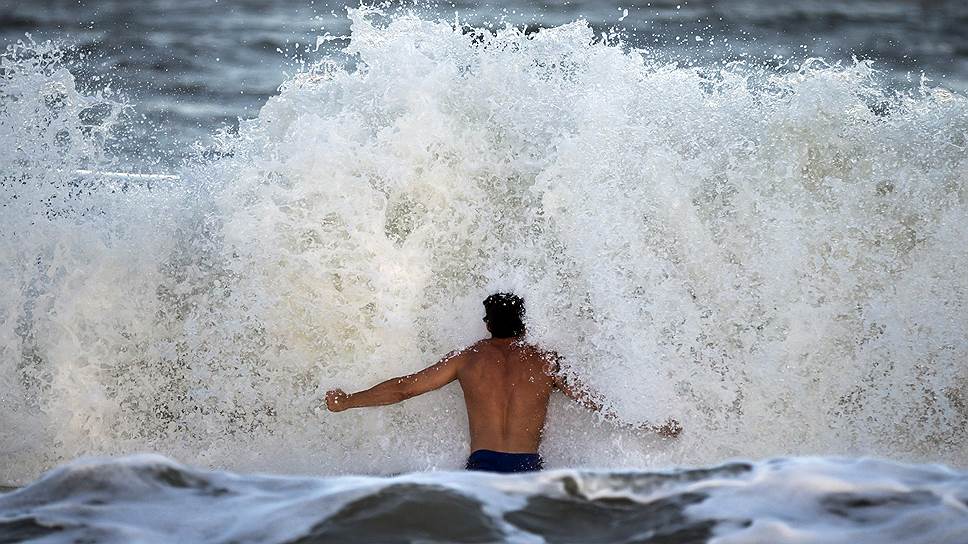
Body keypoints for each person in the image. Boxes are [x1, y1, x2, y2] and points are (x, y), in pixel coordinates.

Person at [325, 293, 681, 474]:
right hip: (528, 468)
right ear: (524, 322)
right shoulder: (547, 361)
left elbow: (405, 388)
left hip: (482, 468)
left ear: (487, 323)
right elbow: (597, 405)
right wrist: (649, 424)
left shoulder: (467, 358)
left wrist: (348, 400)